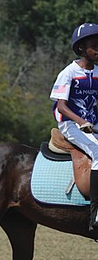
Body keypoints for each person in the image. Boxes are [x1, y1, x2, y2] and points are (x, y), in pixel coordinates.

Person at [51, 22, 98, 231]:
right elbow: (61, 106)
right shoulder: (68, 73)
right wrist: (81, 122)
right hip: (71, 124)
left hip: (93, 123)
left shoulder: (97, 72)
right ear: (81, 49)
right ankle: (95, 212)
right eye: (94, 46)